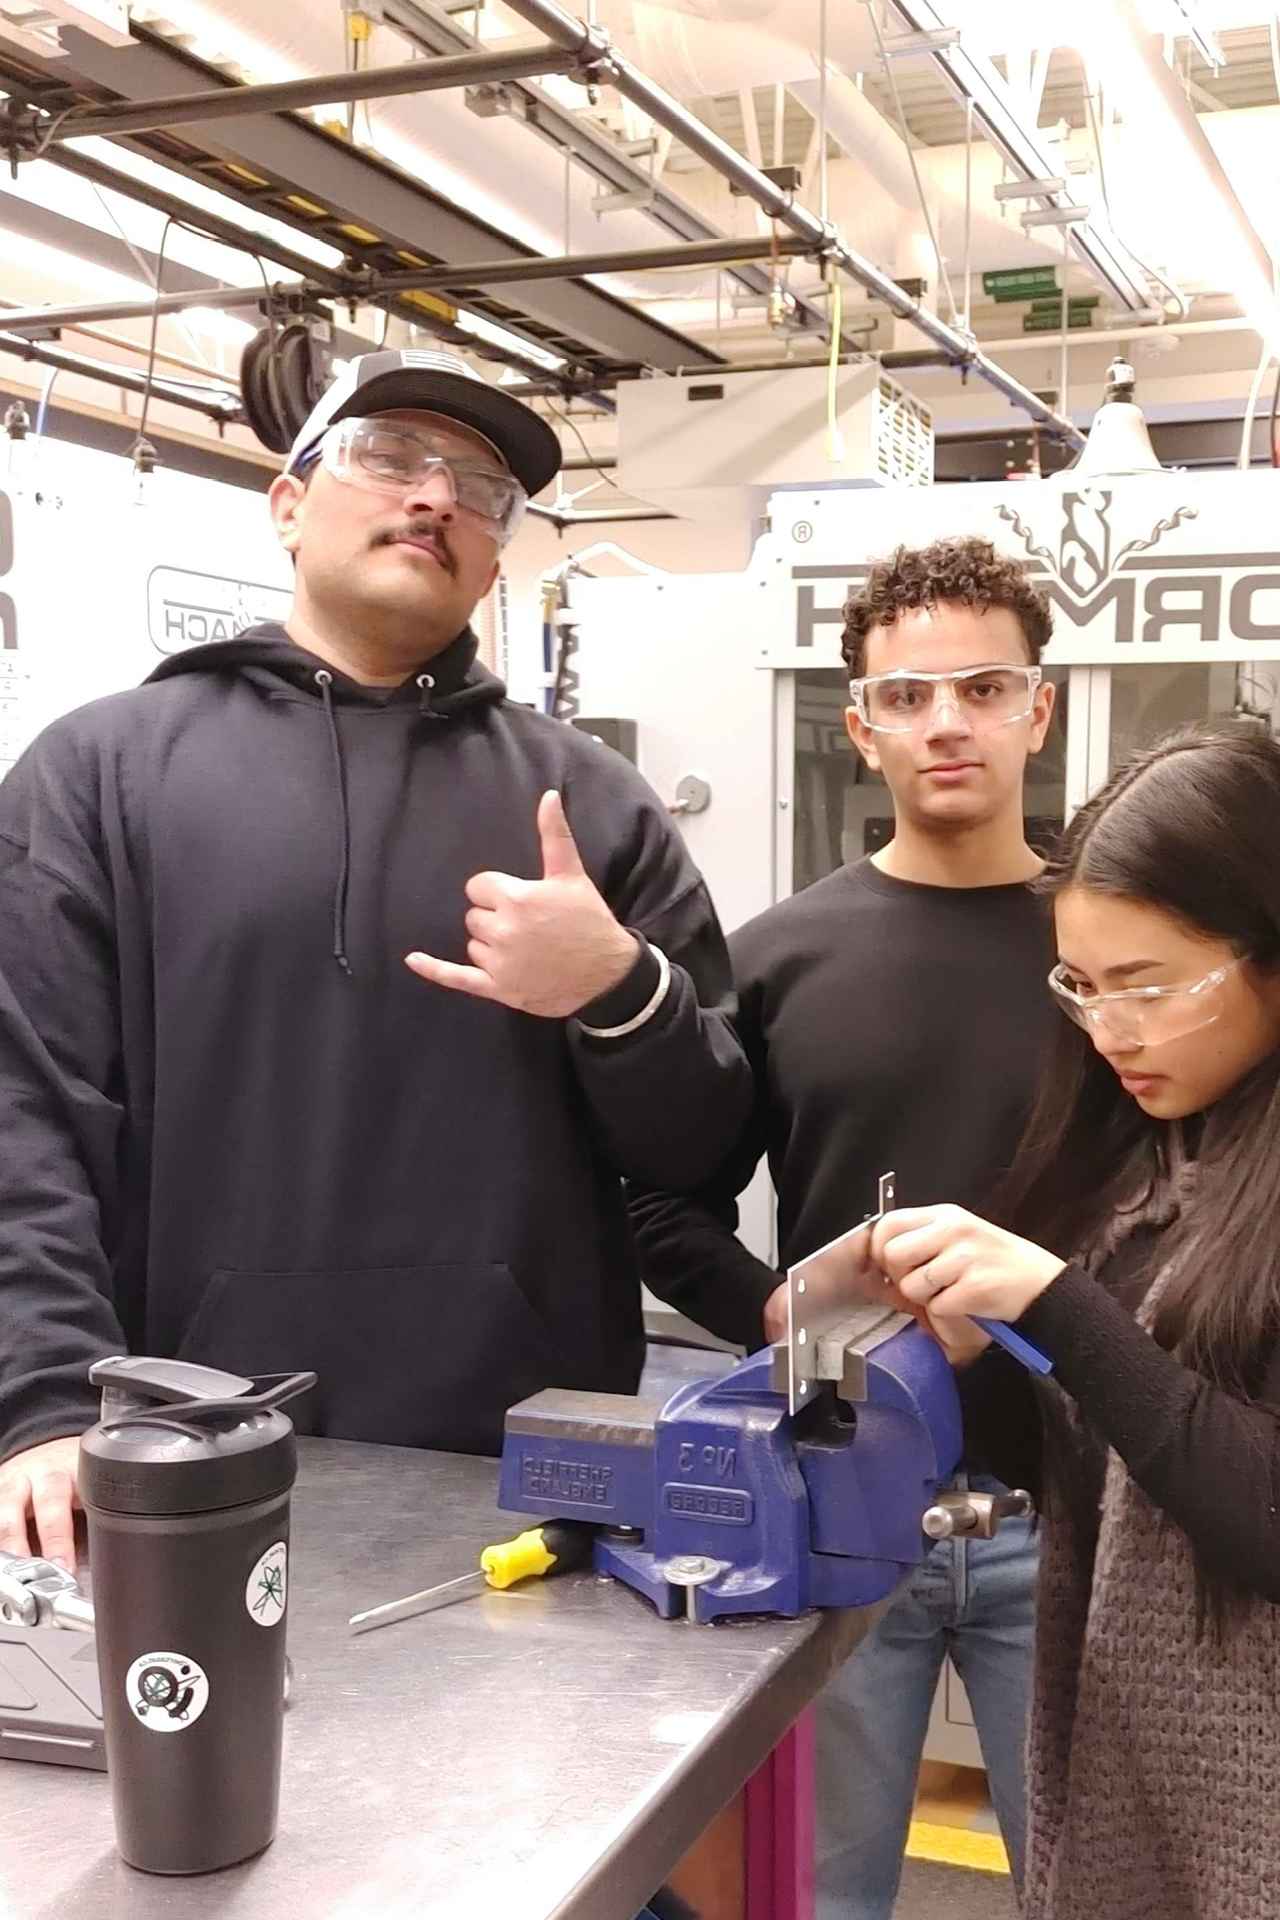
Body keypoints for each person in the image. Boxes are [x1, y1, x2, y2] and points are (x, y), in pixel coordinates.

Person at [0, 348, 752, 1570]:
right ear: (288, 504)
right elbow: (25, 1115)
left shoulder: (590, 806)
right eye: (389, 455)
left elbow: (701, 1156)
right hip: (178, 1453)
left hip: (524, 1471)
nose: (437, 496)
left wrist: (616, 995)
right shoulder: (101, 776)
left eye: (479, 486)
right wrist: (39, 1397)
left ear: (499, 552)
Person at [631, 535, 1057, 1917]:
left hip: (1076, 1527)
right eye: (911, 696)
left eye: (985, 688)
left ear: (1035, 708)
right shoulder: (775, 959)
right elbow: (659, 1203)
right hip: (835, 1520)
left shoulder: (1109, 952)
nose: (949, 723)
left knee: (1098, 1883)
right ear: (861, 727)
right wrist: (777, 1311)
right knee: (814, 1901)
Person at [871, 725, 1280, 1920]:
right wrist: (976, 1349)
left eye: (1150, 986)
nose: (1109, 1033)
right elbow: (1103, 1458)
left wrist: (1053, 1306)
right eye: (1081, 986)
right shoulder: (1146, 1151)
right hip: (1129, 1753)